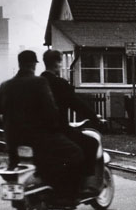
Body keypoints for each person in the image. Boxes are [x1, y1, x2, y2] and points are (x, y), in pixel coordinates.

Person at [0, 50, 84, 201]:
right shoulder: (39, 82)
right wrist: (54, 128)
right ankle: (68, 194)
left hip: (13, 143)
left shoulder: (5, 86)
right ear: (33, 65)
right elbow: (51, 111)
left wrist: (10, 129)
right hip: (39, 140)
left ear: (19, 64)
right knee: (76, 153)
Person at [41, 48, 103, 196]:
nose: (61, 67)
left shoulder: (37, 82)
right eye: (60, 63)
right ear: (56, 64)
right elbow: (77, 104)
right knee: (91, 144)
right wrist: (95, 118)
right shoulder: (60, 84)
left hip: (40, 131)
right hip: (60, 130)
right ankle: (86, 185)